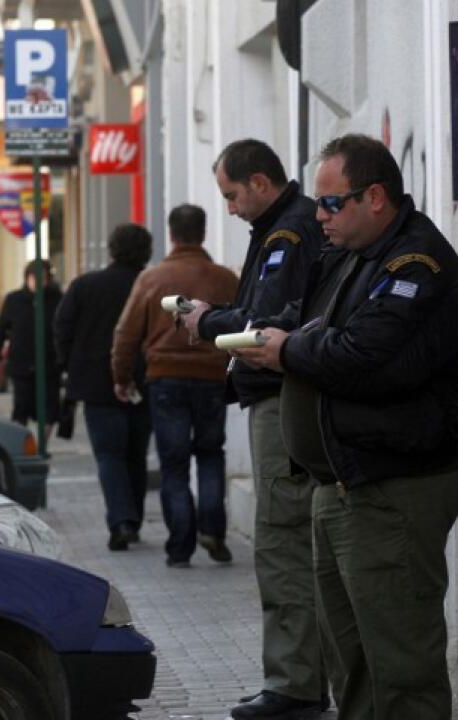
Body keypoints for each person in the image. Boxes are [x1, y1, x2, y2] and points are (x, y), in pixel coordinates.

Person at [234, 134, 458, 720]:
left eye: (330, 203)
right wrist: (268, 336)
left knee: (400, 664)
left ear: (374, 197)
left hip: (390, 488)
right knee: (351, 660)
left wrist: (288, 351)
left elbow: (361, 355)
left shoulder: (413, 262)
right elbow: (307, 322)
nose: (317, 215)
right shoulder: (350, 257)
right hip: (342, 486)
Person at [178, 139, 326, 720]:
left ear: (261, 183)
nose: (231, 207)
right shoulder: (283, 229)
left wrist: (204, 321)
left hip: (282, 399)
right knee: (290, 539)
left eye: (233, 195)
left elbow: (263, 323)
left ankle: (295, 685)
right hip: (284, 397)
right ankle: (302, 680)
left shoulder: (287, 236)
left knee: (283, 540)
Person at [111, 204, 238, 567]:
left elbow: (125, 334)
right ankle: (213, 530)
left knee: (174, 463)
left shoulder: (151, 279)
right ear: (203, 232)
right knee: (211, 453)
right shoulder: (225, 278)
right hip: (212, 378)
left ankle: (180, 546)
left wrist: (122, 378)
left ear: (171, 235)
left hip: (165, 378)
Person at [53, 223, 153, 551]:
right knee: (135, 455)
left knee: (109, 456)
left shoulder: (84, 286)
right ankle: (134, 519)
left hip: (96, 385)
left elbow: (62, 328)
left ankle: (121, 520)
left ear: (111, 249)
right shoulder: (149, 286)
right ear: (147, 252)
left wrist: (70, 366)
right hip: (143, 381)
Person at [0, 259, 63, 441]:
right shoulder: (14, 300)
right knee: (21, 407)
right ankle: (22, 443)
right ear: (27, 278)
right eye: (34, 278)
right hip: (21, 365)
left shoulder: (57, 299)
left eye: (44, 278)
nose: (39, 283)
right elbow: (0, 330)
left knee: (50, 409)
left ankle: (41, 444)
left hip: (49, 365)